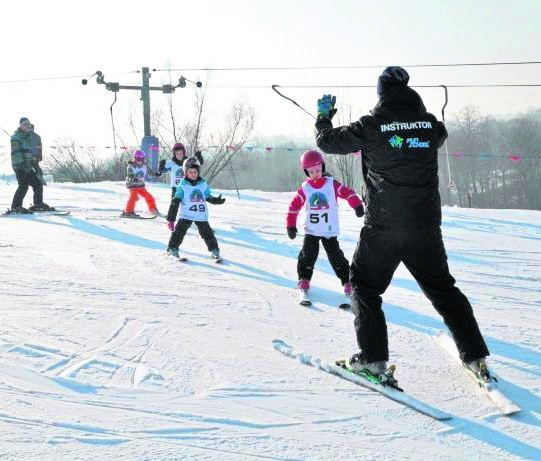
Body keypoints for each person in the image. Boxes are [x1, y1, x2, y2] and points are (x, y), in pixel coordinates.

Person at [315, 66, 490, 385]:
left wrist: (324, 116)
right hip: (424, 226)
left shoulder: (372, 125)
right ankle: (476, 356)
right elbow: (438, 134)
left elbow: (327, 142)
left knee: (365, 287)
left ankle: (373, 361)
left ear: (381, 93)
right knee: (443, 289)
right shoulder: (429, 126)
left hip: (383, 226)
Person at [286, 150, 364, 302]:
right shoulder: (305, 188)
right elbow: (294, 206)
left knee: (336, 257)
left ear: (322, 167)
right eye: (311, 171)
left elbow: (348, 193)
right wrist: (291, 225)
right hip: (312, 230)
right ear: (306, 172)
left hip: (328, 229)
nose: (315, 173)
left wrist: (357, 205)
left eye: (318, 170)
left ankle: (347, 282)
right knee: (307, 255)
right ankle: (304, 280)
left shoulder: (331, 184)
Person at [166, 157, 225, 260]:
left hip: (200, 215)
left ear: (198, 172)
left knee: (208, 234)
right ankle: (172, 249)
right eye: (190, 172)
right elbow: (175, 202)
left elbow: (207, 196)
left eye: (195, 172)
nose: (193, 174)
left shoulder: (203, 184)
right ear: (186, 172)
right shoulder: (182, 185)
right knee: (178, 233)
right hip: (186, 214)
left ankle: (214, 251)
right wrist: (171, 219)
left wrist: (216, 200)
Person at [9, 117, 54, 213]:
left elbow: (29, 153)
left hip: (28, 166)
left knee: (37, 184)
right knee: (23, 186)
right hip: (20, 166)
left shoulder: (28, 137)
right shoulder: (16, 137)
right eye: (25, 124)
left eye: (28, 124)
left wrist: (34, 164)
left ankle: (38, 204)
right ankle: (16, 207)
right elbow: (16, 154)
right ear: (20, 125)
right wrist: (23, 166)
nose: (27, 126)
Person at [122, 150, 159, 217]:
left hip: (140, 186)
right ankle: (128, 212)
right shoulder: (131, 167)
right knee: (133, 197)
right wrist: (134, 178)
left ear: (143, 159)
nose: (139, 161)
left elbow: (151, 172)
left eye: (141, 160)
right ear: (134, 159)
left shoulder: (144, 166)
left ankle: (153, 209)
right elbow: (130, 177)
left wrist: (156, 174)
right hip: (132, 185)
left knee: (149, 196)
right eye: (137, 160)